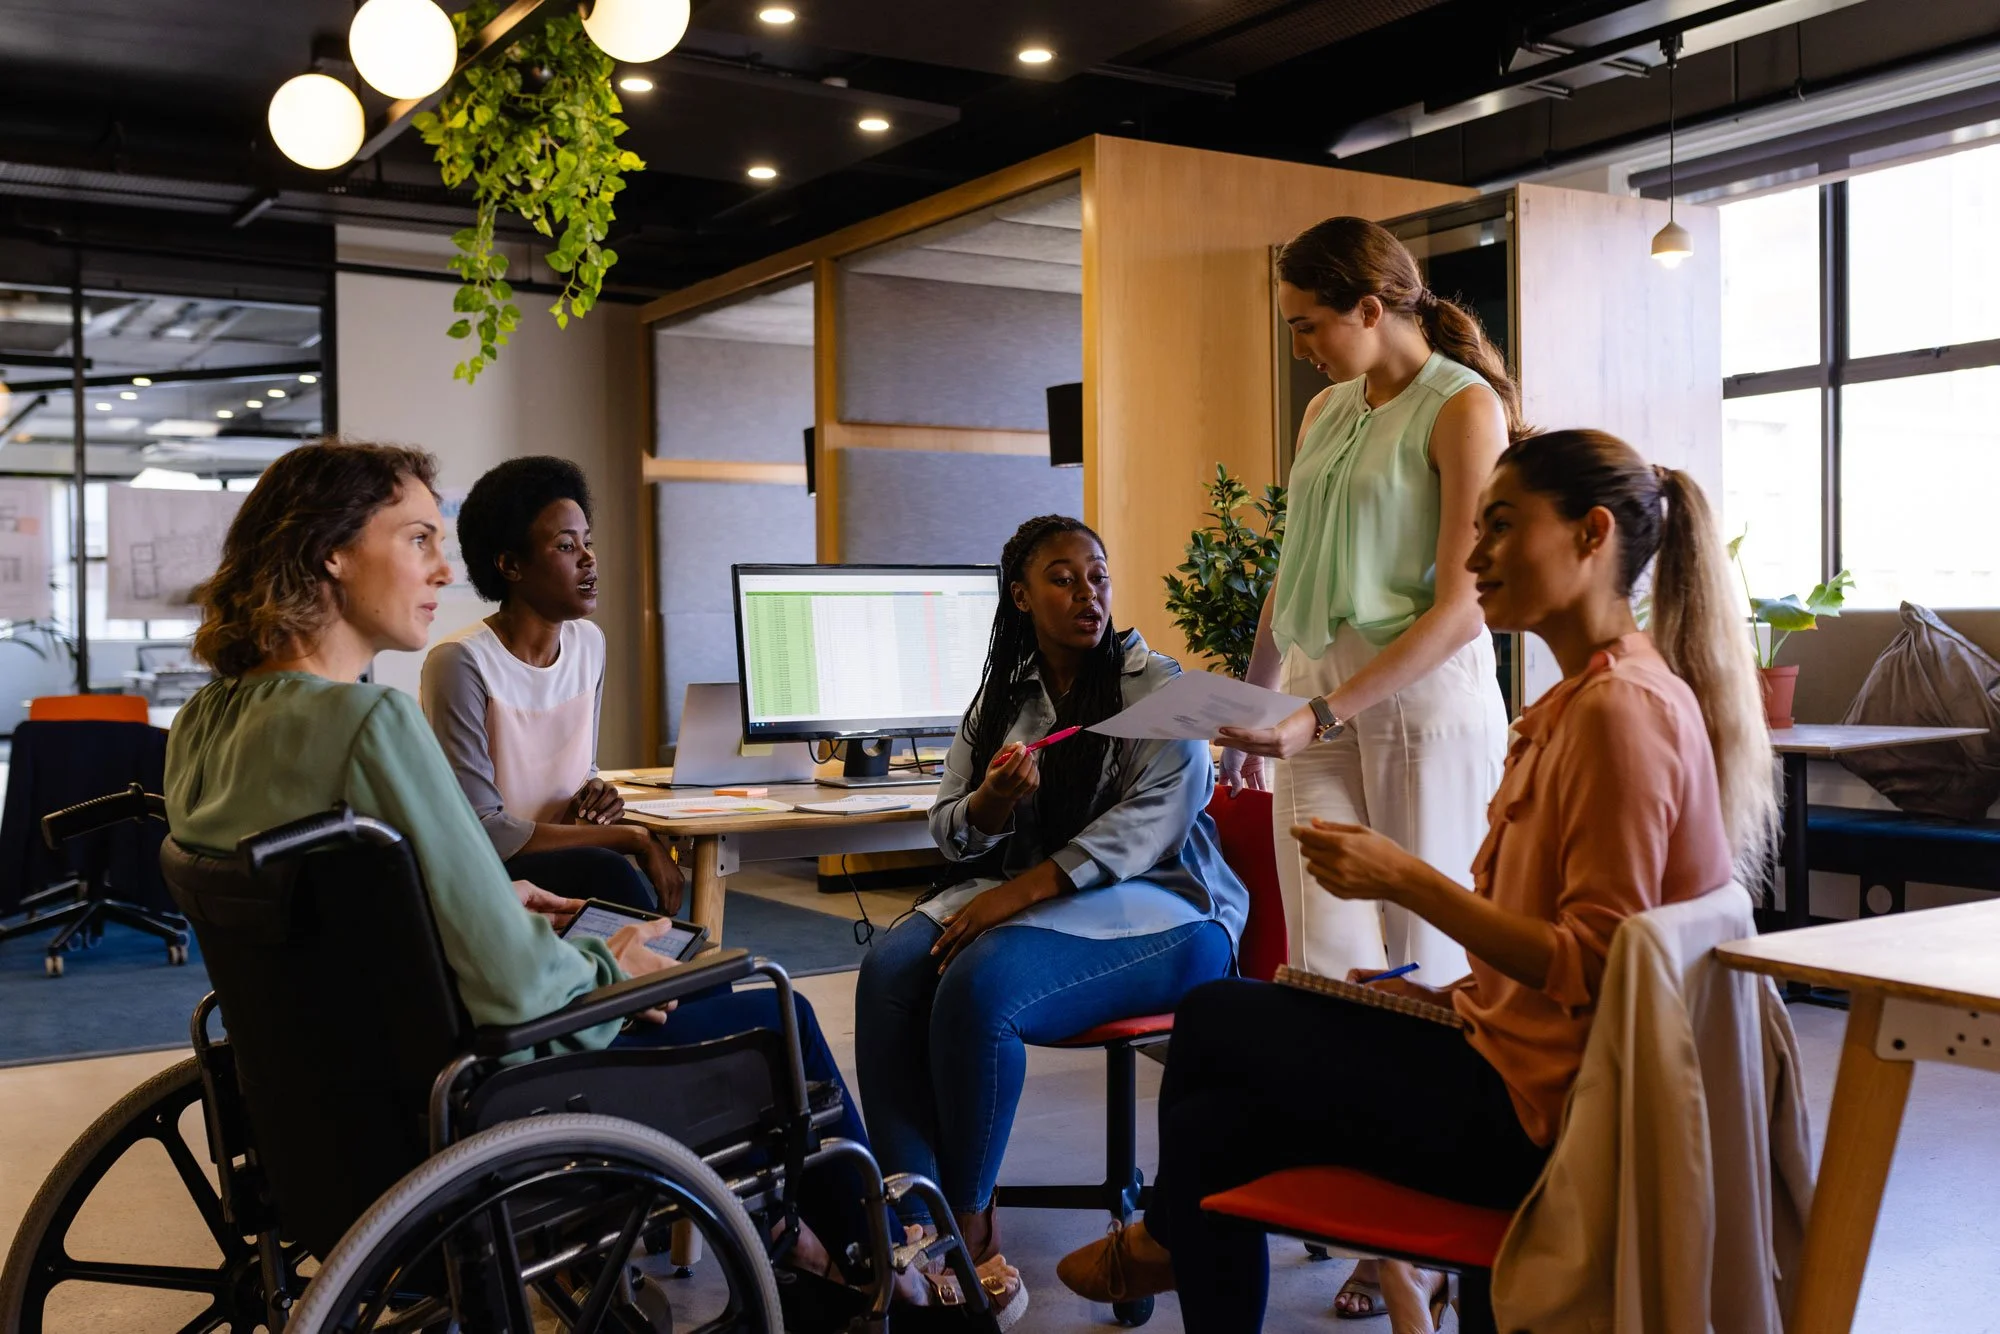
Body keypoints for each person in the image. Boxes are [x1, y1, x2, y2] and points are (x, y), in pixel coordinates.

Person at [1058, 430, 1777, 1333]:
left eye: (1503, 527)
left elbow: (1595, 967)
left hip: (1545, 1126)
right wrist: (1443, 997)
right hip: (1518, 1073)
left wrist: (1407, 882)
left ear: (1593, 535)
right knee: (1212, 1129)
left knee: (1215, 1019)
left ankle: (1162, 1240)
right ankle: (1171, 1232)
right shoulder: (1588, 698)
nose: (1473, 558)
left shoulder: (1617, 715)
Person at [166, 438, 873, 1282]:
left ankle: (800, 1240)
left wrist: (510, 904)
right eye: (418, 539)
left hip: (326, 1104)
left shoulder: (202, 723)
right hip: (479, 1092)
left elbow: (347, 909)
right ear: (333, 554)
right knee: (771, 1012)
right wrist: (603, 962)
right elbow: (514, 989)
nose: (441, 571)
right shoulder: (368, 725)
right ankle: (873, 1260)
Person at [1219, 217, 1524, 1316]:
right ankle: (1388, 1257)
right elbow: (1289, 568)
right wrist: (1253, 700)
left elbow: (1463, 604)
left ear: (1368, 308)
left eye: (1308, 323)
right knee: (1333, 972)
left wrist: (1318, 711)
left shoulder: (1462, 405)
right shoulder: (1321, 406)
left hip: (1418, 703)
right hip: (1312, 697)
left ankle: (1446, 1216)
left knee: (1433, 969)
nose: (1298, 342)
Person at [855, 515, 1247, 1320]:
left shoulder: (1159, 689)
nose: (1087, 594)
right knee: (888, 967)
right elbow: (949, 824)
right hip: (1040, 896)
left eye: (1098, 576)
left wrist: (1016, 891)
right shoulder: (1004, 694)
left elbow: (1145, 833)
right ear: (1022, 596)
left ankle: (973, 1229)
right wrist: (992, 804)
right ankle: (917, 1230)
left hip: (1169, 911)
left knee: (982, 983)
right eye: (1064, 579)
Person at [421, 456, 679, 915]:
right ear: (510, 565)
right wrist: (630, 836)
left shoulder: (590, 644)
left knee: (624, 876)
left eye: (588, 542)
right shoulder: (460, 662)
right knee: (611, 869)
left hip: (564, 857)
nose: (588, 558)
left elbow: (581, 770)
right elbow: (485, 829)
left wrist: (596, 794)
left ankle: (667, 976)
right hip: (488, 874)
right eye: (565, 546)